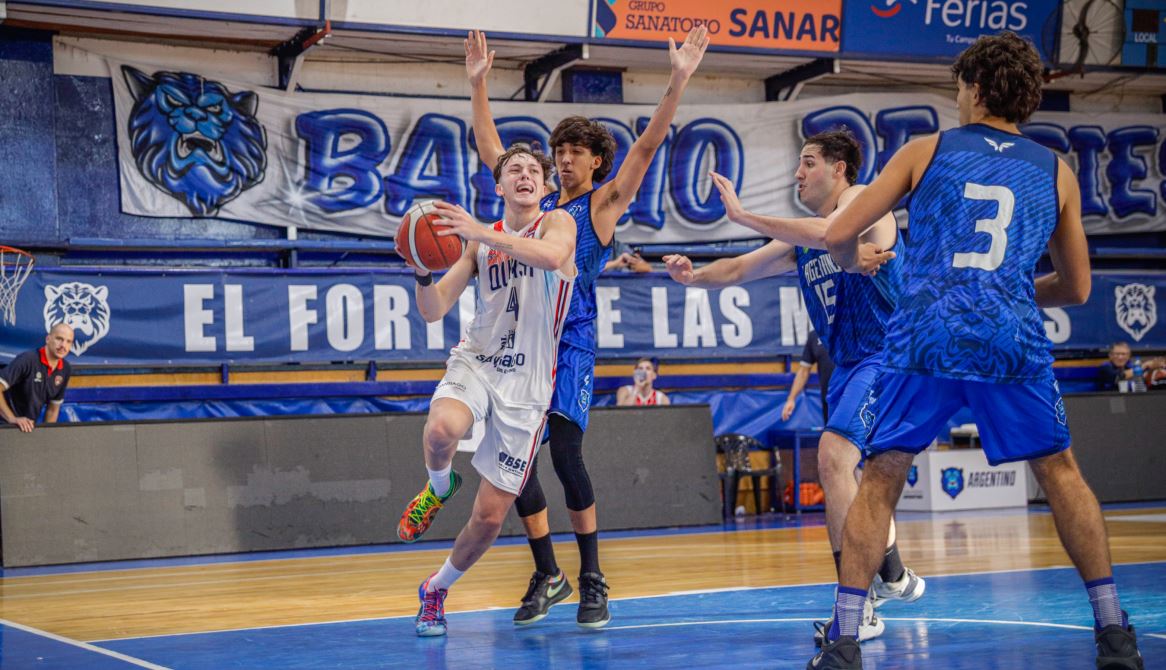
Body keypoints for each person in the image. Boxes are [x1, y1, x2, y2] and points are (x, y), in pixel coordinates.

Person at [810, 32, 1144, 669]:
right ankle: (1112, 630)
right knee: (1061, 473)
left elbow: (838, 233)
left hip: (927, 333)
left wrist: (850, 258)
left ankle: (846, 637)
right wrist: (1007, 290)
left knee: (880, 477)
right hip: (1009, 336)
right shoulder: (1057, 171)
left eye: (961, 86)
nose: (958, 97)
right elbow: (1077, 288)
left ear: (978, 88)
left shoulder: (926, 149)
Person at [459, 25, 708, 628]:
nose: (564, 158)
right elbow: (491, 149)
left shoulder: (599, 206)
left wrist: (677, 81)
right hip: (522, 342)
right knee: (514, 463)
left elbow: (646, 147)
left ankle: (593, 575)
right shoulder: (534, 200)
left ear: (595, 161)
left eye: (575, 151)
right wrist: (478, 84)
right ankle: (548, 571)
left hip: (569, 340)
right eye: (559, 150)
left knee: (567, 456)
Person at [664, 129, 923, 645]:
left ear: (840, 168)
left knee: (833, 457)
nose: (798, 173)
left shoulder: (864, 202)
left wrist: (743, 216)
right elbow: (739, 268)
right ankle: (891, 573)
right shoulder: (804, 240)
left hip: (889, 356)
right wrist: (694, 277)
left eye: (808, 162)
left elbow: (833, 232)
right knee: (862, 477)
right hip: (848, 364)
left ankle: (858, 607)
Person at [394, 146, 577, 637]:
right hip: (478, 360)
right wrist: (420, 268)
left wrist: (477, 231)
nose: (525, 175)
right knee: (441, 429)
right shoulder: (478, 244)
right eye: (514, 169)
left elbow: (552, 257)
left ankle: (435, 588)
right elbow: (433, 309)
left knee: (490, 517)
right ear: (499, 187)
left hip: (528, 386)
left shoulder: (557, 224)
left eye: (534, 170)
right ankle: (439, 487)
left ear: (544, 187)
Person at [0, 324, 75, 433]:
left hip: (27, 429)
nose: (63, 345)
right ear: (48, 339)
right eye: (59, 339)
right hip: (5, 426)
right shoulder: (27, 360)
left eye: (68, 341)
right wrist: (11, 418)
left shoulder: (66, 369)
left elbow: (53, 409)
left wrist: (46, 437)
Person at [783, 329, 833, 423]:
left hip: (853, 399)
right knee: (832, 430)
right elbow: (803, 371)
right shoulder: (815, 335)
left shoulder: (853, 329)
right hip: (829, 400)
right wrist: (791, 399)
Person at [1095, 342, 1163, 392]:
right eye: (1117, 354)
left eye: (1123, 354)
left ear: (1128, 356)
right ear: (1110, 355)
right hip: (1108, 400)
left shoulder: (1132, 367)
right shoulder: (1105, 367)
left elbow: (1144, 384)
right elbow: (1118, 377)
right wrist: (1144, 366)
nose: (1120, 357)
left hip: (1133, 399)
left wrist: (1152, 369)